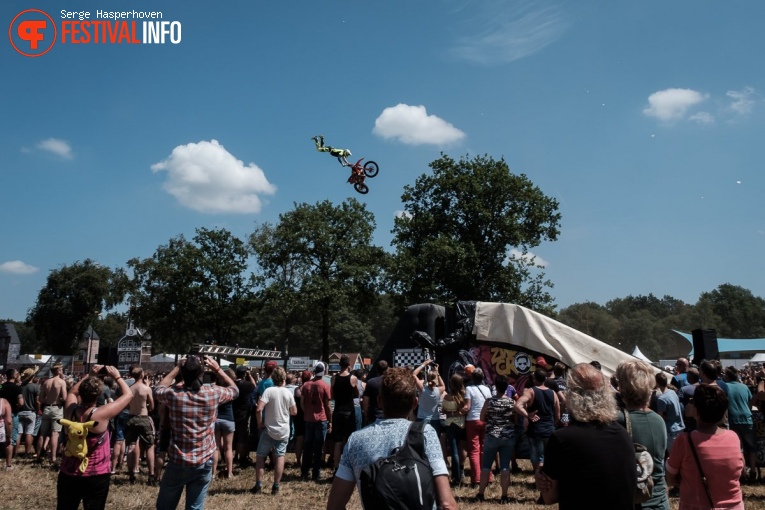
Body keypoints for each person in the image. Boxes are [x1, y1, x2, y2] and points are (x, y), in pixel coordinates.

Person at [326, 367, 458, 510]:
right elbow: (447, 504)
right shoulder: (426, 433)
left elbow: (334, 506)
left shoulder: (356, 440)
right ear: (415, 403)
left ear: (379, 401)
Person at [535, 363, 636, 509]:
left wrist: (540, 475)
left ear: (572, 396)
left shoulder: (562, 439)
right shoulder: (622, 434)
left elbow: (550, 497)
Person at [154, 355, 238, 510]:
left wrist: (177, 368)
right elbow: (234, 390)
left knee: (165, 507)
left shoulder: (173, 395)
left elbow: (158, 389)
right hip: (203, 461)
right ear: (202, 374)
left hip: (178, 461)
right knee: (195, 507)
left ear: (183, 375)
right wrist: (217, 369)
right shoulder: (213, 393)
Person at [57, 364, 133, 510]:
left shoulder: (70, 410)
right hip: (96, 472)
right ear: (98, 395)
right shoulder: (101, 414)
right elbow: (128, 395)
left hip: (69, 471)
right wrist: (117, 376)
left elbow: (73, 391)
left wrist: (90, 375)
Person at [666, 384, 744, 510]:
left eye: (692, 401)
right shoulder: (733, 437)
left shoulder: (685, 440)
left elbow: (670, 478)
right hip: (734, 505)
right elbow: (739, 469)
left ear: (696, 410)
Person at [615, 360, 669, 510]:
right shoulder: (659, 420)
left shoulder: (617, 421)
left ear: (622, 386)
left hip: (633, 501)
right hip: (659, 499)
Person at [250, 367, 297, 495]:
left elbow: (259, 409)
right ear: (284, 379)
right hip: (283, 430)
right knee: (280, 457)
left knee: (260, 457)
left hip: (269, 429)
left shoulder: (268, 391)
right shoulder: (287, 393)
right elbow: (294, 411)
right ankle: (276, 486)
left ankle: (259, 485)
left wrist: (260, 423)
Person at [474, 375, 516, 504]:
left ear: (496, 387)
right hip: (507, 436)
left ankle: (481, 494)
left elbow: (481, 418)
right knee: (505, 467)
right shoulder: (511, 402)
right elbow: (515, 419)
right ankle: (504, 496)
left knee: (486, 466)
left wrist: (491, 421)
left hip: (492, 436)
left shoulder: (489, 401)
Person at [516, 368, 559, 475]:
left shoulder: (530, 391)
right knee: (549, 458)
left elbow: (517, 406)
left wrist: (527, 415)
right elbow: (557, 414)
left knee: (538, 459)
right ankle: (547, 480)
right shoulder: (553, 393)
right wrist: (552, 424)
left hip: (536, 431)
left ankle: (539, 481)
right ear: (545, 379)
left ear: (534, 379)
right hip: (549, 430)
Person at [723, 366, 758, 482]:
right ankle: (753, 472)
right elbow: (750, 400)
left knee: (740, 448)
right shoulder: (744, 387)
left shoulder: (724, 387)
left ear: (727, 376)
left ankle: (743, 473)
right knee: (752, 447)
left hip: (733, 419)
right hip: (747, 418)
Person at [301, 362, 332, 482]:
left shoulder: (306, 385)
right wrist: (330, 420)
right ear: (323, 371)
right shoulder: (325, 385)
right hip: (321, 419)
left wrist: (307, 412)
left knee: (307, 446)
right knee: (318, 448)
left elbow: (302, 403)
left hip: (309, 419)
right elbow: (327, 405)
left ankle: (304, 472)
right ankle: (316, 473)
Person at [126, 367, 156, 485]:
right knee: (149, 446)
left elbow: (127, 405)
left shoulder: (129, 389)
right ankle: (151, 475)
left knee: (131, 445)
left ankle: (131, 475)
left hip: (132, 418)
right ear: (142, 375)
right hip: (143, 418)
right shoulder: (146, 388)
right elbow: (152, 406)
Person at [464, 367, 492, 487]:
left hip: (472, 420)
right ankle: (488, 477)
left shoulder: (469, 389)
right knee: (485, 450)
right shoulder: (487, 389)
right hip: (485, 420)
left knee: (474, 451)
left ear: (472, 378)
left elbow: (468, 406)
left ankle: (476, 479)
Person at [330, 355, 359, 473]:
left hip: (338, 410)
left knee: (337, 441)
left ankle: (336, 467)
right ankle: (347, 467)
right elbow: (356, 393)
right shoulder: (353, 378)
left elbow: (332, 395)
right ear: (349, 365)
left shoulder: (334, 378)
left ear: (339, 364)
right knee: (347, 440)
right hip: (349, 411)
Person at [37, 363, 68, 465]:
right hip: (56, 408)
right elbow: (64, 398)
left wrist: (48, 399)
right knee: (55, 434)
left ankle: (38, 455)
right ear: (58, 371)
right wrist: (57, 398)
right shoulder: (61, 382)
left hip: (46, 407)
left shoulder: (46, 382)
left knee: (42, 434)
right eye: (62, 370)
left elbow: (40, 398)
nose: (62, 371)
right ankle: (53, 457)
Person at [441, 373, 469, 486]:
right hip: (461, 425)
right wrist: (458, 412)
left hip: (450, 425)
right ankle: (461, 472)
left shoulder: (447, 397)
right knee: (462, 448)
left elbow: (443, 411)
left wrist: (451, 412)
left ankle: (456, 477)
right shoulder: (464, 396)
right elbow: (466, 409)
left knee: (454, 451)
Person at [213, 368, 236, 480]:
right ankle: (230, 472)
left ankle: (212, 473)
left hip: (216, 419)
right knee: (228, 448)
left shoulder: (215, 389)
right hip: (228, 419)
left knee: (215, 448)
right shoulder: (230, 390)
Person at [654, 372, 684, 454]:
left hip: (671, 432)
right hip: (680, 428)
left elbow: (660, 418)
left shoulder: (661, 399)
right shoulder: (673, 392)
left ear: (656, 382)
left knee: (673, 456)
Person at [232, 365, 256, 469]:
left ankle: (233, 456)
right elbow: (254, 385)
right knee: (242, 437)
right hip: (243, 414)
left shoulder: (232, 384)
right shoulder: (247, 385)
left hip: (232, 412)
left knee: (232, 437)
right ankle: (242, 458)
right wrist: (249, 375)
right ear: (244, 374)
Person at [0, 368, 23, 467]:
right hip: (12, 413)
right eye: (17, 373)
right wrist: (16, 407)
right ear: (14, 375)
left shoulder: (1, 386)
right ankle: (9, 461)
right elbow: (21, 402)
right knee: (11, 438)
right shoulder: (17, 388)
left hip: (1, 412)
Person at [18, 367, 40, 458]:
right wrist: (38, 411)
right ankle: (27, 453)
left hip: (20, 411)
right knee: (29, 433)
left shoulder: (20, 387)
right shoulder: (35, 387)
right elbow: (37, 401)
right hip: (31, 412)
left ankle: (15, 452)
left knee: (19, 433)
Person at [292, 370, 311, 468]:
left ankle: (298, 460)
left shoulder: (297, 390)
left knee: (299, 439)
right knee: (308, 440)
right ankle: (306, 460)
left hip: (298, 416)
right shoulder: (310, 389)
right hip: (308, 416)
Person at [362, 360, 387, 426]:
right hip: (388, 415)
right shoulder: (391, 382)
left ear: (376, 369)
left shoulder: (371, 382)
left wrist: (366, 414)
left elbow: (365, 402)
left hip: (374, 416)